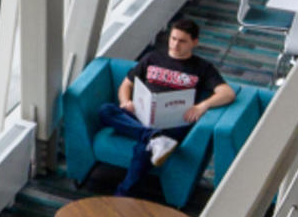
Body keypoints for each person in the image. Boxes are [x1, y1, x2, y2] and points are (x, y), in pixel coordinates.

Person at [98, 15, 233, 197]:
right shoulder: (152, 58)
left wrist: (202, 106)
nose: (175, 45)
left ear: (194, 42)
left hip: (174, 122)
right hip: (142, 116)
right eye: (173, 39)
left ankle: (123, 195)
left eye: (182, 41)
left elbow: (227, 93)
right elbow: (126, 84)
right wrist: (125, 102)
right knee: (106, 110)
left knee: (143, 149)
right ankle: (152, 137)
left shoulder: (202, 67)